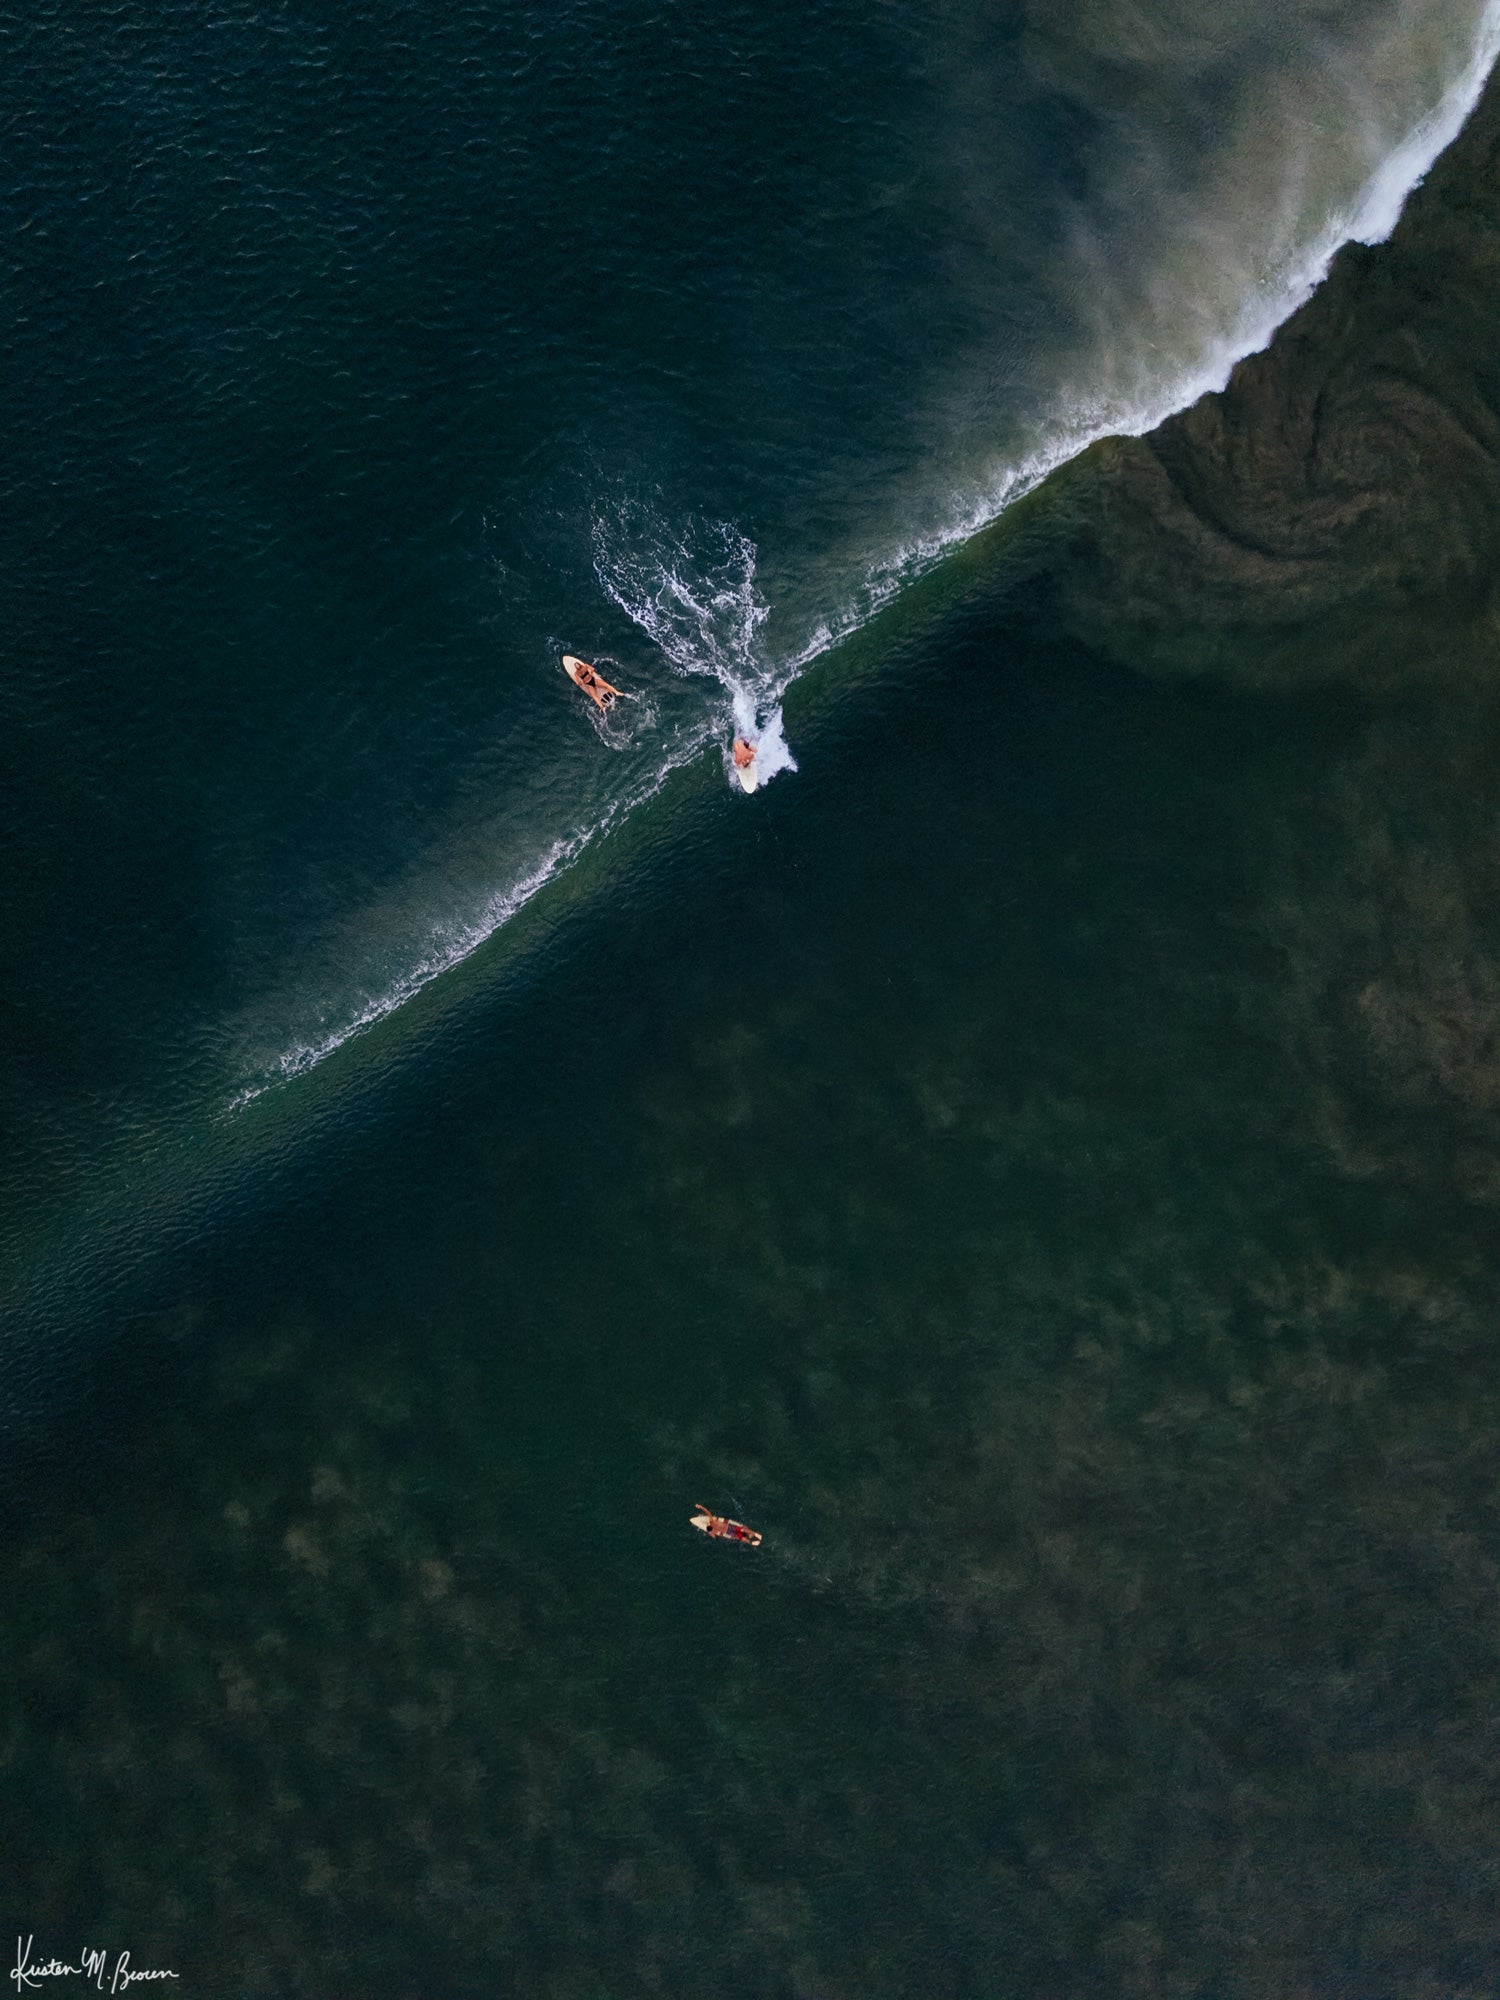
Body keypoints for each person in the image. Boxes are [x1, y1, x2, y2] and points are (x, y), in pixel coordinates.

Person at [690, 1503, 763, 1547]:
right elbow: (708, 1512)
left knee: (741, 1536)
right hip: (729, 1528)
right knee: (742, 1530)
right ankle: (754, 1535)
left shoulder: (712, 1531)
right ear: (709, 1524)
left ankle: (751, 1542)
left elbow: (715, 1537)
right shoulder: (713, 1522)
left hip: (728, 1532)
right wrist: (700, 1507)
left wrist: (709, 1533)